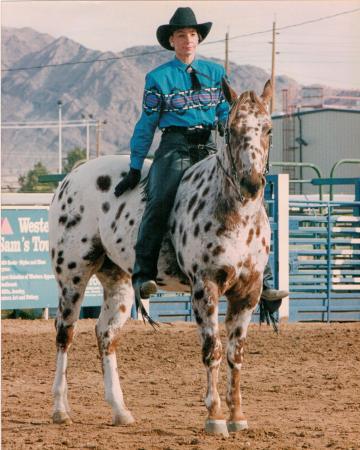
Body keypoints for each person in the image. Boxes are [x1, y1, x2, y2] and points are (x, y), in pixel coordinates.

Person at [114, 7, 288, 304]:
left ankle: (265, 280)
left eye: (193, 35)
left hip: (211, 146)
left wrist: (230, 124)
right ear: (172, 41)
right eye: (182, 35)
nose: (188, 40)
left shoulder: (217, 74)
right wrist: (134, 166)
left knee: (250, 199)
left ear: (198, 39)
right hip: (175, 147)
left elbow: (225, 113)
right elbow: (147, 124)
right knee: (161, 198)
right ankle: (144, 274)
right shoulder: (158, 78)